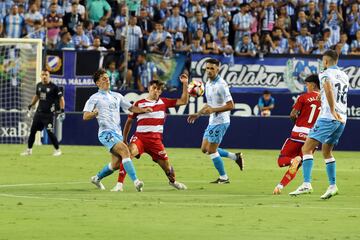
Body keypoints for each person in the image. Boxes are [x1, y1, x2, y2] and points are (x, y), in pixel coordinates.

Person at [112, 76, 189, 192]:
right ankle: (119, 184)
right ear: (149, 89)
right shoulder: (140, 103)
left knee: (168, 168)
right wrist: (125, 139)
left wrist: (185, 83)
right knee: (127, 154)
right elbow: (129, 122)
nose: (156, 91)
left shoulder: (164, 102)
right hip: (140, 138)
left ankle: (173, 182)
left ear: (161, 91)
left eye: (159, 89)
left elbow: (184, 101)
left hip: (155, 141)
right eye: (154, 88)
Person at [289, 50, 349, 199]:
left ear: (326, 61)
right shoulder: (345, 76)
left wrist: (332, 110)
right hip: (342, 119)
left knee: (306, 148)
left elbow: (328, 89)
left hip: (329, 116)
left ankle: (306, 184)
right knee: (327, 151)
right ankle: (332, 186)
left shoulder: (325, 73)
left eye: (323, 60)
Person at [83, 69, 152, 192]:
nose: (107, 80)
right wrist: (93, 114)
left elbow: (131, 107)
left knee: (115, 164)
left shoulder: (117, 96)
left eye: (107, 78)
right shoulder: (94, 98)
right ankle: (136, 182)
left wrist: (143, 110)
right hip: (106, 133)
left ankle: (96, 178)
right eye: (103, 78)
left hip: (117, 134)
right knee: (125, 150)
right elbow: (85, 116)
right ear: (97, 83)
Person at [187, 58, 244, 184]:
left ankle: (224, 177)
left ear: (218, 69)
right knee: (204, 149)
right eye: (207, 68)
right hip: (213, 120)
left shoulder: (222, 85)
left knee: (212, 150)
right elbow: (209, 104)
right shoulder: (208, 83)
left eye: (212, 68)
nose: (209, 71)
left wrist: (214, 110)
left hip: (221, 121)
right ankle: (235, 157)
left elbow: (231, 105)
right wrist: (198, 113)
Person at [273, 75, 321, 195]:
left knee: (282, 160)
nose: (306, 86)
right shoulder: (326, 99)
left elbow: (293, 114)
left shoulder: (303, 97)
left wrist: (298, 123)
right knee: (297, 165)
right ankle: (280, 186)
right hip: (314, 136)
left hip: (298, 133)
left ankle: (293, 161)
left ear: (313, 84)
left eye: (307, 84)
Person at [21, 70, 65, 157]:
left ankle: (57, 150)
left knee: (50, 132)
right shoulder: (39, 85)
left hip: (48, 115)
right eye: (43, 75)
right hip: (38, 113)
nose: (44, 76)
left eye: (46, 75)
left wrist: (62, 110)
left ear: (49, 76)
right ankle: (29, 150)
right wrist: (31, 105)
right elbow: (37, 96)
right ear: (41, 76)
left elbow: (61, 99)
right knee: (32, 131)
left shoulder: (54, 87)